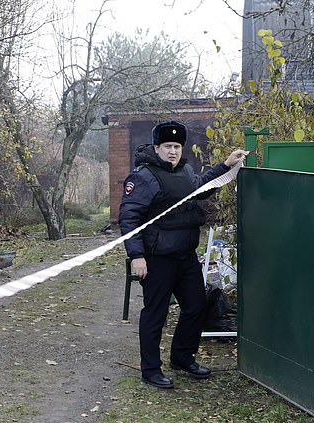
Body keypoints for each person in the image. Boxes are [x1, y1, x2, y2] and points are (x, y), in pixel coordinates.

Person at [118, 120, 247, 389]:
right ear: (157, 148)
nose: (173, 151)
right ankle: (151, 369)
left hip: (185, 257)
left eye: (177, 146)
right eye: (167, 146)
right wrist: (137, 256)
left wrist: (226, 165)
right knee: (156, 313)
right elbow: (129, 219)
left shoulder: (186, 172)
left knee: (195, 306)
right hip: (157, 258)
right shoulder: (143, 177)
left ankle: (182, 357)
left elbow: (201, 187)